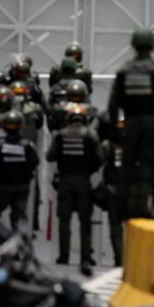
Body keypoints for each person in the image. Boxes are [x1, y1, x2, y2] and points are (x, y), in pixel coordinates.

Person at [108, 29, 154, 227]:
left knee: (126, 164)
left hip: (130, 122)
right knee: (147, 163)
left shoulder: (124, 70)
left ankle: (122, 207)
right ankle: (141, 206)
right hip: (152, 123)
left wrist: (115, 128)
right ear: (152, 46)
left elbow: (114, 103)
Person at [46, 103, 102, 276]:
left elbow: (49, 156)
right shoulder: (90, 134)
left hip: (65, 180)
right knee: (85, 222)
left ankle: (64, 256)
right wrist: (89, 170)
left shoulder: (61, 135)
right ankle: (86, 256)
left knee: (64, 220)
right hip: (84, 181)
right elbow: (100, 158)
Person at [0, 110, 39, 259]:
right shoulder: (28, 145)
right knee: (18, 219)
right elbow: (35, 163)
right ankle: (18, 251)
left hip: (1, 187)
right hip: (21, 187)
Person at [97, 109, 126, 265]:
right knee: (119, 226)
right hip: (122, 189)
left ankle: (120, 258)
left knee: (117, 226)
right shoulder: (108, 145)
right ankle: (121, 258)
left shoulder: (107, 145)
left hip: (120, 189)